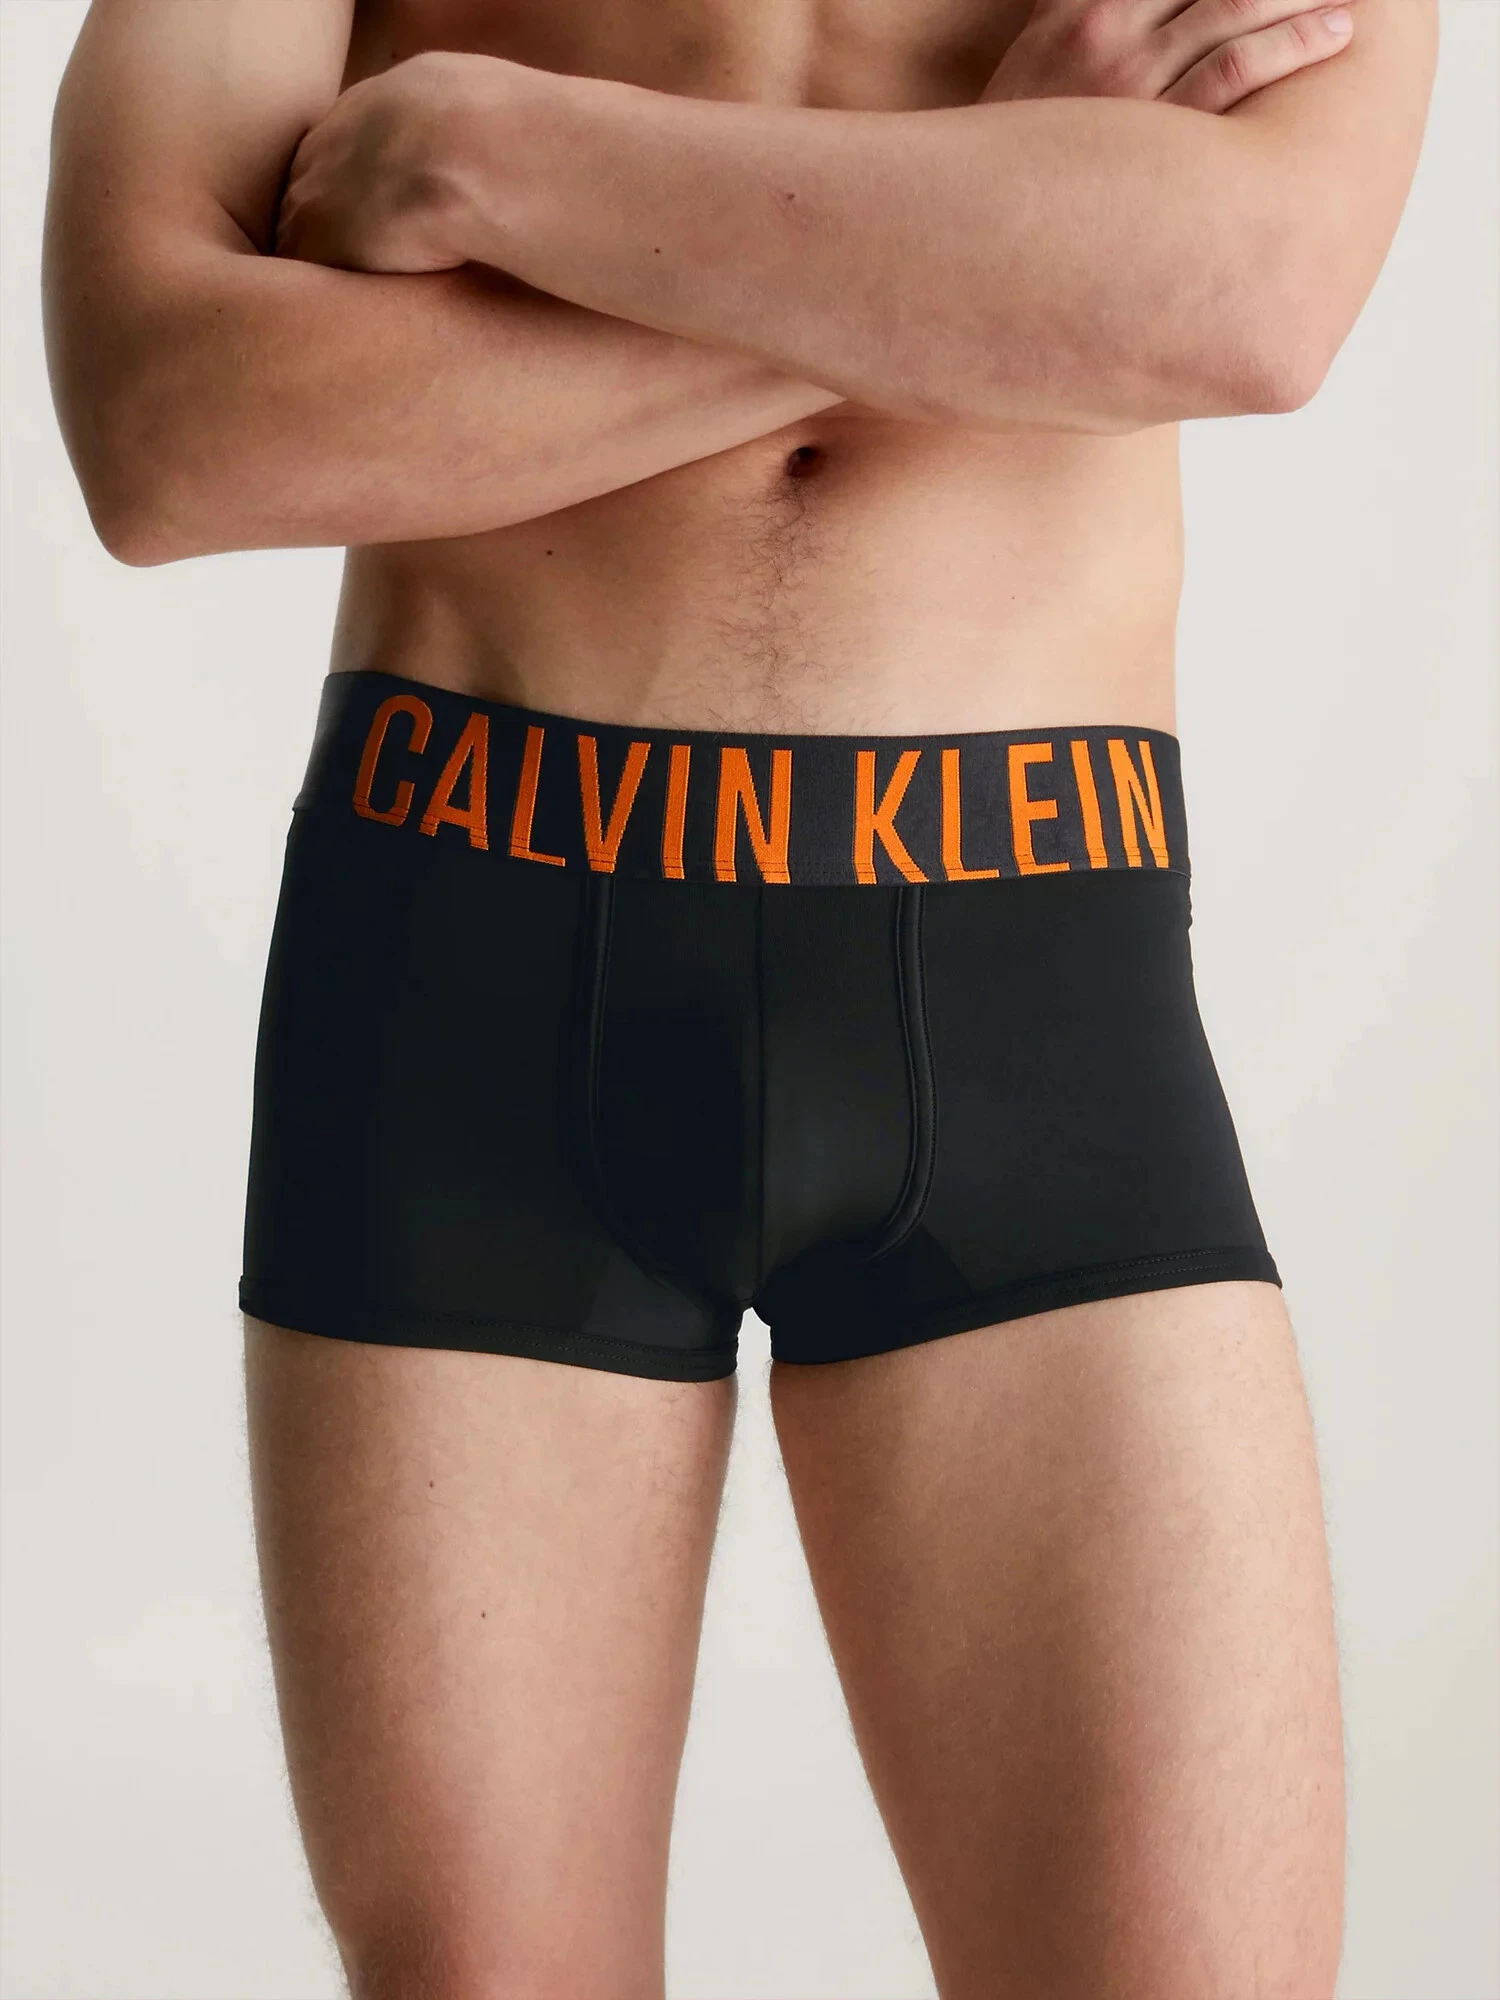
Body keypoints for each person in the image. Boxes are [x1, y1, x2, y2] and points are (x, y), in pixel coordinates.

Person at [42, 0, 1435, 1991]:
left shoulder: (487, 138)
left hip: (1033, 974)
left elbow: (1250, 298)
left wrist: (494, 159)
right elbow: (174, 429)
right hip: (473, 958)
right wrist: (989, 239)